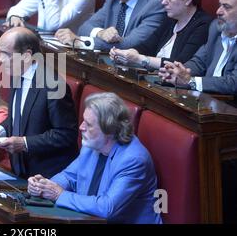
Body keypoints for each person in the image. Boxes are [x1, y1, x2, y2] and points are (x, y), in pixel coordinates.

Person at [28, 93, 162, 224]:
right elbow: (69, 177)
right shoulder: (91, 146)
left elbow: (107, 208)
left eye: (88, 124)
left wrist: (59, 195)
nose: (81, 127)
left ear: (108, 130)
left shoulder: (133, 160)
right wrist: (43, 186)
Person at [0, 27, 79, 178]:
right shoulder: (17, 76)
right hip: (21, 171)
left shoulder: (53, 85)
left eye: (6, 54)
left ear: (27, 56)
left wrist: (25, 143)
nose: (0, 59)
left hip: (47, 177)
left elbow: (66, 135)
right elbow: (18, 119)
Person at [110, 0, 212, 69]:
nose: (163, 2)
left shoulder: (203, 25)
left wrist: (140, 59)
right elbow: (147, 46)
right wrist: (126, 54)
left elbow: (180, 64)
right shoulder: (171, 18)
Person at [159, 0, 237, 96]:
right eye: (220, 5)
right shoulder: (216, 28)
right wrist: (178, 72)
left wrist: (191, 82)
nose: (218, 11)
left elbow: (233, 84)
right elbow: (199, 62)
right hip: (206, 99)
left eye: (227, 7)